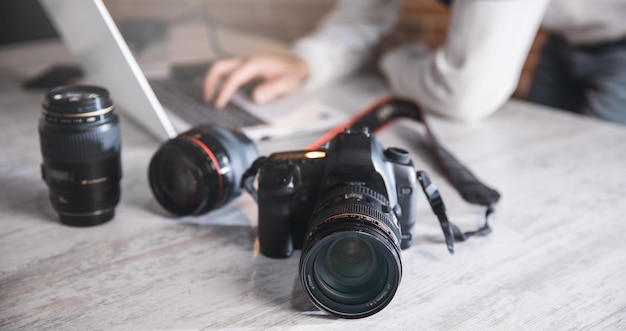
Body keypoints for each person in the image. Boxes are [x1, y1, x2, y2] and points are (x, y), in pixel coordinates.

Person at [203, 0, 626, 125]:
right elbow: (365, 13)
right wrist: (304, 61)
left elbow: (464, 93)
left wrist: (391, 57)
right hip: (568, 33)